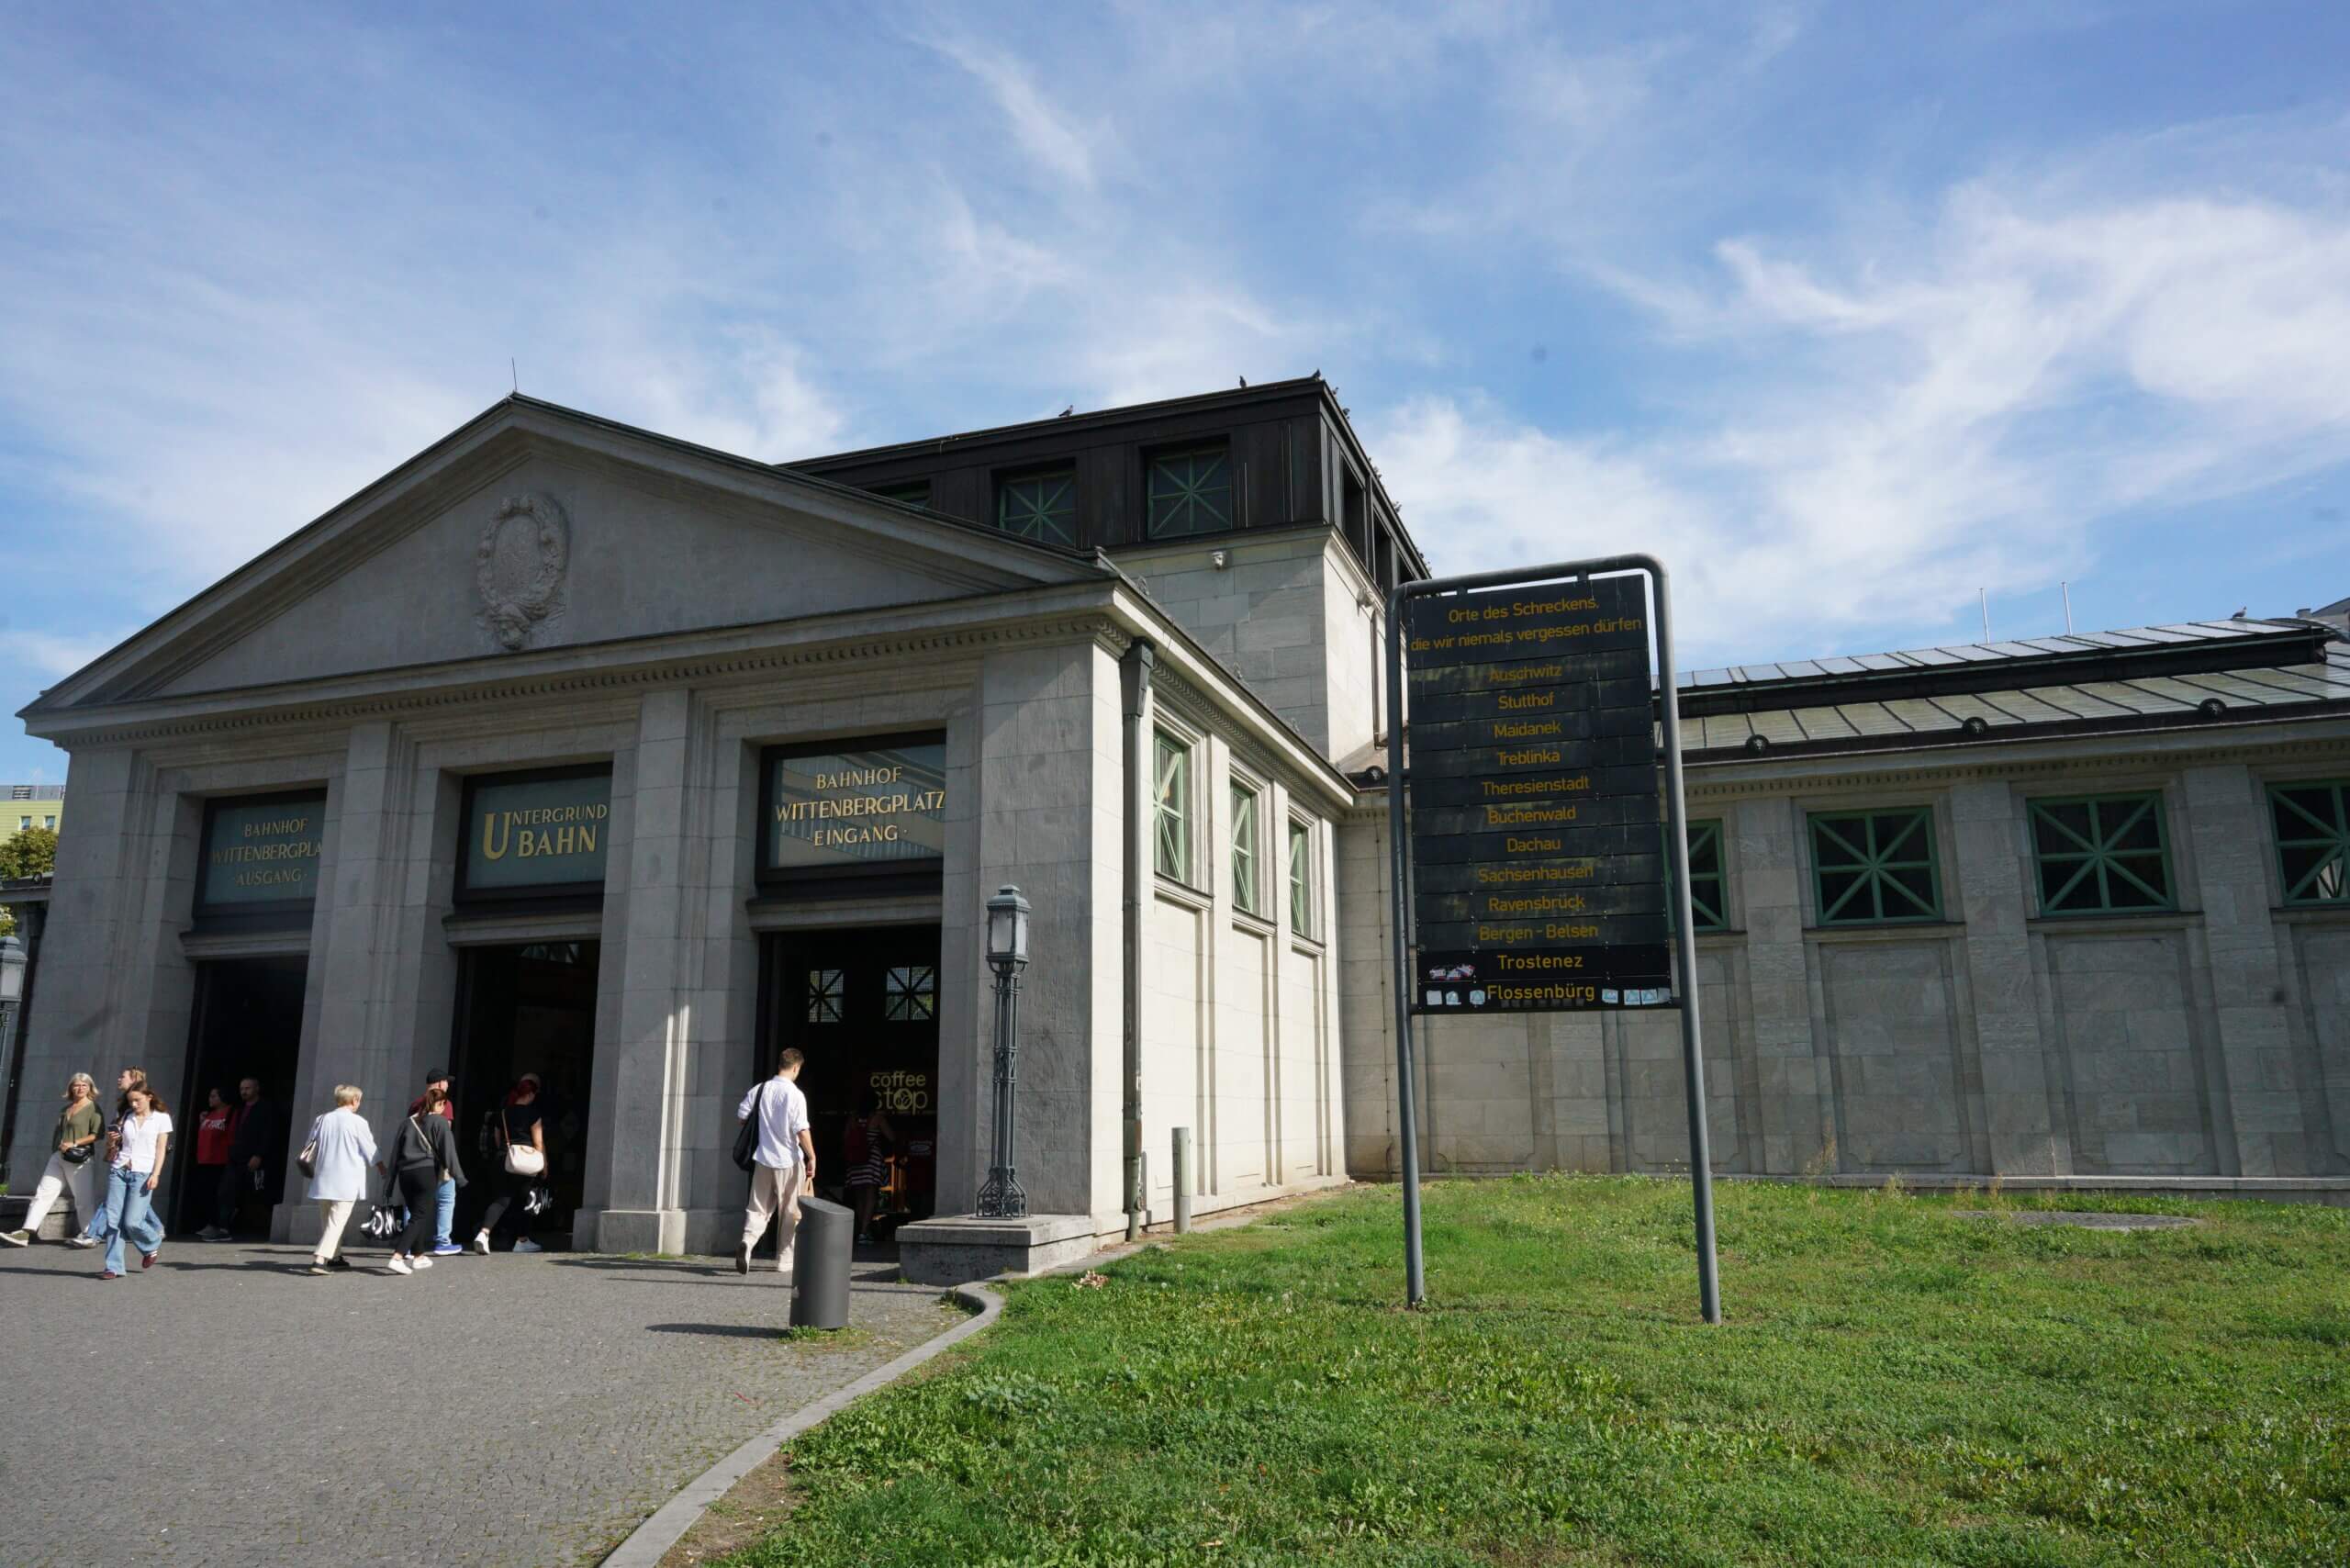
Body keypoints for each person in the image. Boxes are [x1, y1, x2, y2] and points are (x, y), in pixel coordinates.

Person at [1, 1072, 105, 1247]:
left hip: (80, 1159)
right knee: (43, 1193)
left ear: (90, 1088)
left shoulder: (93, 1108)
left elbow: (97, 1134)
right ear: (71, 1087)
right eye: (77, 1085)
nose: (80, 1088)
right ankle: (25, 1232)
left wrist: (73, 1143)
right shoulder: (66, 1109)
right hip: (58, 1156)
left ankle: (89, 1234)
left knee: (82, 1199)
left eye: (84, 1085)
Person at [735, 1047, 815, 1276]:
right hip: (788, 1160)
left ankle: (748, 1242)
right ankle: (784, 1259)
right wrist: (812, 1155)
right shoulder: (795, 1095)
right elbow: (801, 1130)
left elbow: (741, 1117)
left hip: (762, 1158)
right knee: (790, 1212)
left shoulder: (760, 1089)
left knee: (758, 1207)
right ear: (796, 1067)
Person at [378, 1084, 465, 1276]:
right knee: (419, 1215)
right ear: (441, 1104)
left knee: (415, 1212)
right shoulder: (440, 1122)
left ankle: (418, 1256)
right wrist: (459, 1177)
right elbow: (448, 1152)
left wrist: (389, 1183)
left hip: (405, 1174)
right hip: (425, 1172)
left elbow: (394, 1155)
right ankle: (398, 1257)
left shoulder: (407, 1123)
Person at [96, 1084, 172, 1280]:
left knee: (132, 1221)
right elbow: (115, 1146)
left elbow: (160, 1149)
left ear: (149, 1097)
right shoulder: (124, 1117)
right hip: (119, 1169)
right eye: (130, 1101)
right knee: (113, 1219)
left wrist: (156, 1174)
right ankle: (113, 1266)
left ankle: (151, 1243)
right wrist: (112, 1140)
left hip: (143, 1173)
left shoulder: (161, 1118)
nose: (134, 1104)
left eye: (137, 1100)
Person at [301, 1084, 376, 1276]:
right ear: (354, 1100)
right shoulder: (358, 1122)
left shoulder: (321, 1119)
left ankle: (335, 1257)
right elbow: (371, 1150)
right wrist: (383, 1168)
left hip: (323, 1177)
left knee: (328, 1221)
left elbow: (310, 1146)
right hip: (346, 1179)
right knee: (336, 1222)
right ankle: (320, 1259)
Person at [472, 1073, 546, 1255]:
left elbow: (498, 1140)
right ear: (529, 1095)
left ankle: (484, 1233)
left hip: (503, 1159)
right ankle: (521, 1241)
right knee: (521, 1203)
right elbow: (538, 1143)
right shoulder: (533, 1114)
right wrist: (544, 1165)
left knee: (502, 1200)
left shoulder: (503, 1113)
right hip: (525, 1162)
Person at [407, 1068, 462, 1257]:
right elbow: (444, 1133)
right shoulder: (444, 1104)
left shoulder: (415, 1104)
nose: (447, 1085)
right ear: (440, 1083)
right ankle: (442, 1242)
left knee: (412, 1203)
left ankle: (408, 1244)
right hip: (437, 1160)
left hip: (414, 1159)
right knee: (446, 1199)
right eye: (446, 1082)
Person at [843, 1089, 896, 1246]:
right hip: (871, 1161)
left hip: (855, 1162)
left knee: (859, 1197)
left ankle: (862, 1230)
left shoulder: (853, 1119)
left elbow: (845, 1138)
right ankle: (864, 1232)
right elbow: (892, 1137)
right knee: (871, 1196)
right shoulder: (877, 1119)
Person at [188, 1088, 235, 1238]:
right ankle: (210, 1224)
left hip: (220, 1160)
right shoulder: (208, 1115)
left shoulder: (230, 1112)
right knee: (205, 1193)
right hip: (204, 1160)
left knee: (219, 1194)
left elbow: (232, 1135)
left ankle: (219, 1225)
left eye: (213, 1096)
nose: (210, 1099)